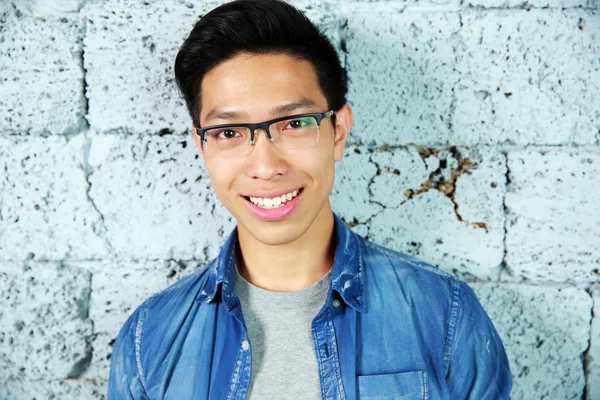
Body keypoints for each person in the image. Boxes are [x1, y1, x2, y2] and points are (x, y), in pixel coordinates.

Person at [108, 0, 512, 398]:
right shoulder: (149, 340)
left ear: (338, 132)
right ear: (202, 145)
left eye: (295, 123)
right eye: (229, 133)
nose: (265, 166)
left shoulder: (445, 314)